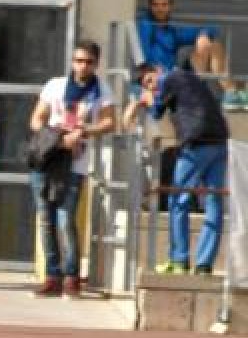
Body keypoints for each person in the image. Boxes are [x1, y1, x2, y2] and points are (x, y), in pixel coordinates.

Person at [27, 40, 116, 298]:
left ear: (96, 64)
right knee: (45, 219)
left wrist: (83, 131)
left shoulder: (101, 90)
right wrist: (58, 137)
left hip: (76, 165)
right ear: (72, 62)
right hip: (48, 159)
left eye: (88, 62)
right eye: (78, 60)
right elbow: (36, 120)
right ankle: (52, 276)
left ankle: (71, 276)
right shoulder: (55, 85)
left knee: (66, 219)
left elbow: (110, 122)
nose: (82, 66)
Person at [126, 62, 230, 276]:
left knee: (177, 199)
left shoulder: (170, 78)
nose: (152, 86)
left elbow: (155, 113)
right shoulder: (189, 78)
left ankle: (179, 260)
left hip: (196, 143)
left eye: (150, 81)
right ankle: (204, 264)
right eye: (147, 85)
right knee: (213, 202)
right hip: (219, 141)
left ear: (158, 70)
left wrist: (144, 101)